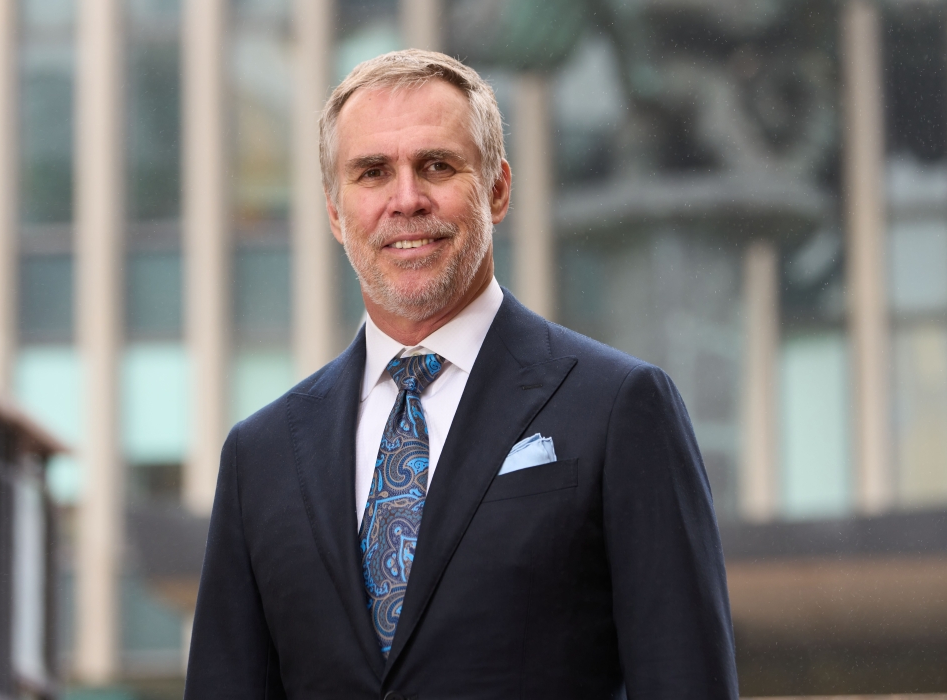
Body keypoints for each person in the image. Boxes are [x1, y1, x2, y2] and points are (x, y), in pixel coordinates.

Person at [184, 49, 739, 700]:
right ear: (336, 212)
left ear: (498, 188)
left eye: (437, 165)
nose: (407, 200)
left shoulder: (619, 408)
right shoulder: (262, 456)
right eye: (372, 173)